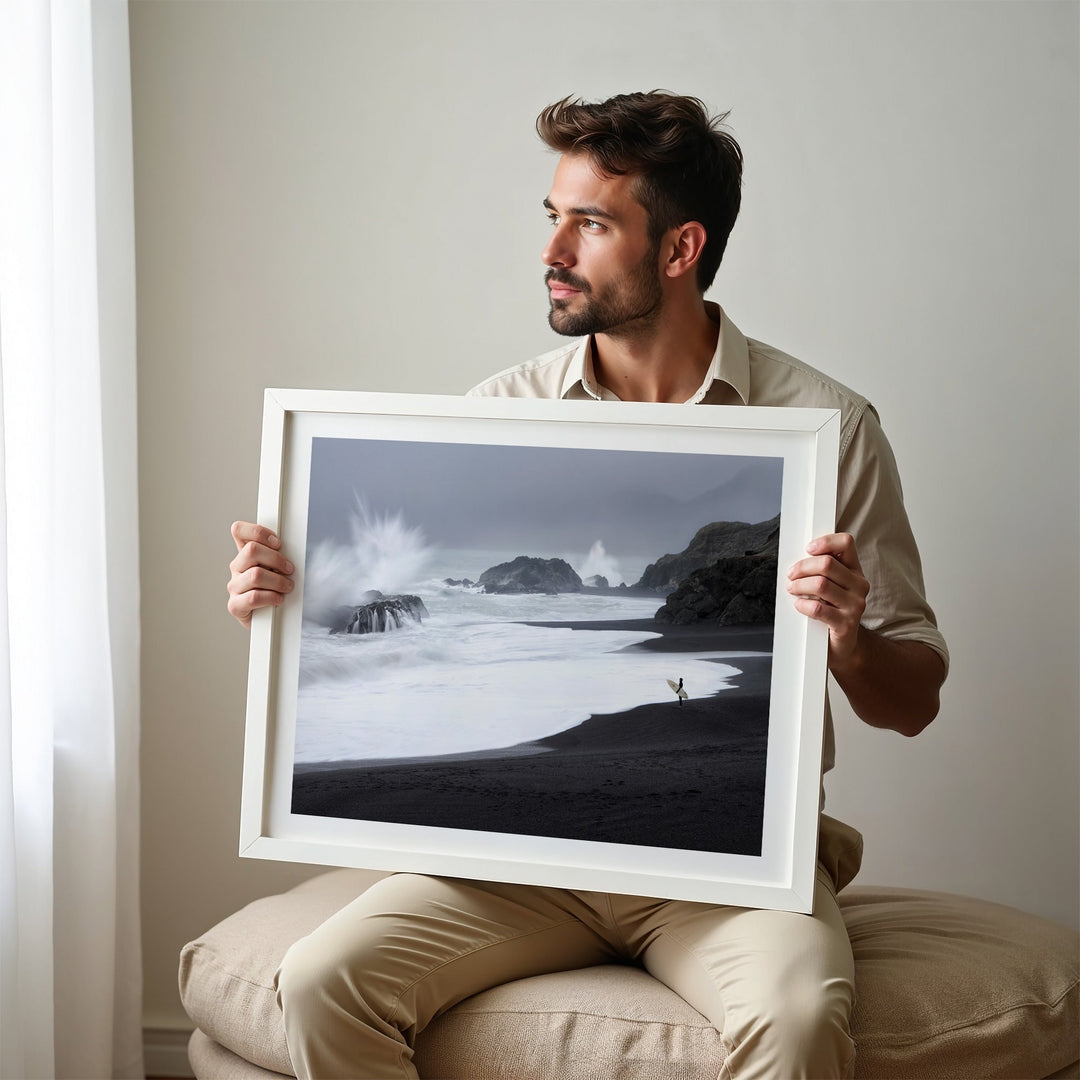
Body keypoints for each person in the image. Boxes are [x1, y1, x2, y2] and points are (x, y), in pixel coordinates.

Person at [227, 92, 948, 1080]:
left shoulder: (826, 427)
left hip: (733, 865)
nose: (552, 250)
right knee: (321, 983)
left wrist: (850, 636)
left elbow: (911, 704)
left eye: (592, 224)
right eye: (552, 217)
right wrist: (298, 596)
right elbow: (403, 607)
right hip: (515, 864)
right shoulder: (500, 411)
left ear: (680, 249)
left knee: (796, 1018)